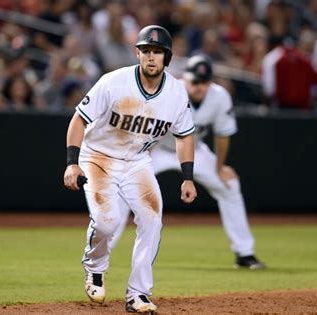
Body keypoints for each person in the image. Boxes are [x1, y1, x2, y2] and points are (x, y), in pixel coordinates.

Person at [63, 25, 197, 313]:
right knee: (107, 221)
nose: (151, 57)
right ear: (137, 53)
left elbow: (185, 135)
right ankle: (95, 266)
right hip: (98, 156)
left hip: (137, 161)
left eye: (157, 52)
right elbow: (78, 120)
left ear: (167, 58)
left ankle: (138, 293)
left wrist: (188, 178)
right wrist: (72, 162)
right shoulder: (113, 82)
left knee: (151, 219)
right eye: (146, 50)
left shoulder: (175, 92)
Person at [110, 55, 266, 270]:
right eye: (194, 81)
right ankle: (103, 251)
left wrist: (220, 167)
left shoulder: (219, 98)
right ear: (186, 78)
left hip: (194, 150)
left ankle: (245, 253)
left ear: (210, 82)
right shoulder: (169, 90)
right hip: (156, 149)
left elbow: (223, 134)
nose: (198, 87)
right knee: (123, 188)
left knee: (230, 185)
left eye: (203, 82)